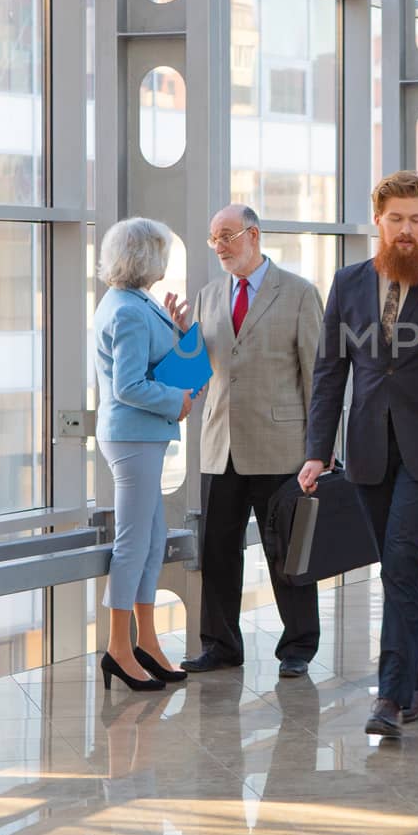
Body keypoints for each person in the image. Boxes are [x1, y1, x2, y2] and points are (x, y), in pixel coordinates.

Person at [299, 171, 418, 738]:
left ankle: (392, 696)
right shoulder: (348, 283)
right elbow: (330, 374)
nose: (407, 230)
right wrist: (316, 452)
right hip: (367, 451)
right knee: (403, 569)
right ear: (378, 219)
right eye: (397, 219)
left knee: (402, 563)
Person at [178, 204, 325, 680]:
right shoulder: (208, 295)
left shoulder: (300, 294)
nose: (218, 246)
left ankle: (298, 646)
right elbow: (193, 374)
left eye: (226, 236)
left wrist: (320, 449)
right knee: (217, 551)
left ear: (253, 235)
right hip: (221, 446)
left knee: (287, 552)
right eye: (213, 238)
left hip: (282, 446)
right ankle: (220, 645)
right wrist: (175, 334)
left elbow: (316, 377)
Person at [92, 217, 197, 693]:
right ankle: (118, 647)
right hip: (134, 438)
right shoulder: (129, 311)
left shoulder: (134, 302)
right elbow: (129, 385)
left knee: (153, 540)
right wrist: (178, 401)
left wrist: (180, 331)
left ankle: (147, 641)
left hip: (141, 437)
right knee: (134, 542)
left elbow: (151, 362)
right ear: (148, 257)